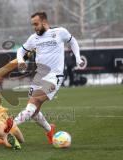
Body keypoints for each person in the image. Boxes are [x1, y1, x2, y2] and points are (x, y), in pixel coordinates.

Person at [14, 12, 85, 144]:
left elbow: (73, 41)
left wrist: (78, 58)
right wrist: (20, 61)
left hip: (54, 76)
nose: (34, 27)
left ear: (44, 22)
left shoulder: (60, 32)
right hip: (39, 76)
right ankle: (49, 130)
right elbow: (21, 50)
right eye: (32, 25)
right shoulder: (33, 38)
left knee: (34, 101)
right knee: (34, 111)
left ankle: (12, 124)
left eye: (36, 24)